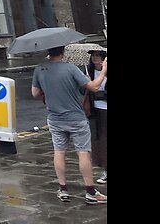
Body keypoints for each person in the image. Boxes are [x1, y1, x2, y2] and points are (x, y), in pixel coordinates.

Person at [32, 46, 108, 204]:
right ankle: (90, 192)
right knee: (83, 153)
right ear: (63, 52)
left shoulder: (39, 69)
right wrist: (104, 71)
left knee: (59, 152)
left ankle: (63, 189)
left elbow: (35, 93)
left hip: (54, 118)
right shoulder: (70, 68)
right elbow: (93, 87)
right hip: (76, 119)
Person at [88, 49, 107, 185]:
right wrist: (86, 84)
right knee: (99, 141)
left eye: (97, 55)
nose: (95, 58)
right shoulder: (89, 72)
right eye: (93, 56)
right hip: (94, 111)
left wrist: (98, 93)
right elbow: (81, 90)